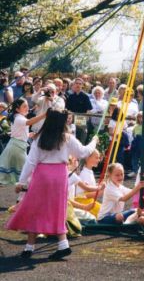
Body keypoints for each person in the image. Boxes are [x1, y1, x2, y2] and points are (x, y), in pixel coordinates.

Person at [6, 109, 99, 260]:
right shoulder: (67, 138)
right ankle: (63, 244)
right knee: (57, 208)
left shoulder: (40, 137)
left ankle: (29, 247)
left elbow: (30, 162)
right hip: (59, 176)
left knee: (35, 208)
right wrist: (94, 141)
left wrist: (21, 182)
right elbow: (83, 152)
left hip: (42, 175)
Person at [0, 98, 46, 185]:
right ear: (17, 109)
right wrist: (45, 115)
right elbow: (29, 122)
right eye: (24, 106)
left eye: (27, 106)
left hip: (16, 145)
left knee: (25, 171)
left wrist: (28, 135)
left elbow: (18, 133)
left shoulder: (17, 117)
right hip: (17, 147)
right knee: (27, 170)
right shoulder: (19, 118)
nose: (27, 108)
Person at [66, 78, 93, 143]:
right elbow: (67, 109)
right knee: (71, 137)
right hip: (71, 118)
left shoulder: (85, 96)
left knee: (81, 137)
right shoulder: (70, 96)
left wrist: (85, 120)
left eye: (80, 84)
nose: (78, 85)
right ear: (74, 85)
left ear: (82, 85)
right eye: (76, 83)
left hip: (81, 118)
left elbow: (89, 109)